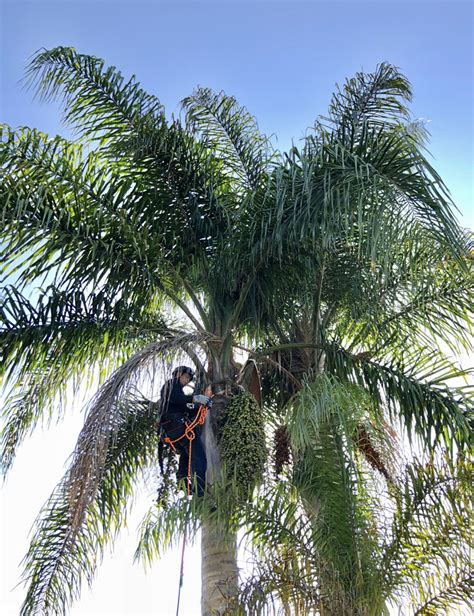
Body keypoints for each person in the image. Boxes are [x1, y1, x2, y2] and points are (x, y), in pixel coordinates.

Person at [159, 366, 210, 496]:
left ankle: (182, 482)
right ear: (179, 374)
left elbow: (187, 408)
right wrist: (196, 398)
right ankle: (200, 490)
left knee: (187, 454)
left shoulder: (178, 392)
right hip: (177, 426)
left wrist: (202, 405)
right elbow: (177, 398)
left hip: (174, 431)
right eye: (186, 377)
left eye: (189, 379)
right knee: (199, 457)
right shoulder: (170, 385)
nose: (187, 381)